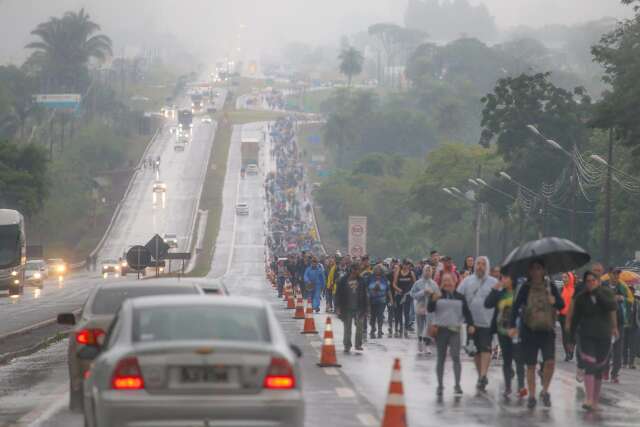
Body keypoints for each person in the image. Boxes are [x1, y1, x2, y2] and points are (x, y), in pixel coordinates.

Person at [508, 259, 564, 409]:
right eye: (533, 268)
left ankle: (545, 391)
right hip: (529, 331)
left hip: (547, 331)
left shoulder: (550, 286)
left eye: (539, 268)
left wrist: (554, 301)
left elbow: (562, 304)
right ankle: (532, 395)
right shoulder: (525, 287)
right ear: (529, 271)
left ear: (544, 270)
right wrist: (512, 325)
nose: (536, 271)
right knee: (531, 365)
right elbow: (515, 306)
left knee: (550, 362)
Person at [569, 271, 618, 411]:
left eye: (593, 280)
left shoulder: (606, 294)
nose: (590, 283)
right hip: (586, 336)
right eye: (588, 281)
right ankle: (588, 399)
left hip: (603, 336)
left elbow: (612, 306)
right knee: (590, 365)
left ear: (598, 282)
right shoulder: (581, 298)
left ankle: (595, 400)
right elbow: (575, 318)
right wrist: (571, 338)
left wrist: (598, 294)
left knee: (598, 369)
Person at [428, 272, 474, 396]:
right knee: (441, 358)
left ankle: (457, 385)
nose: (447, 283)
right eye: (445, 281)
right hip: (441, 331)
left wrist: (471, 325)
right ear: (442, 282)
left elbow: (467, 312)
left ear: (454, 282)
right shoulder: (437, 295)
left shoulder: (460, 296)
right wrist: (432, 300)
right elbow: (430, 309)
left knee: (455, 356)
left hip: (455, 331)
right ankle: (440, 385)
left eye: (450, 281)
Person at [457, 256, 497, 391]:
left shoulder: (493, 282)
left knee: (486, 349)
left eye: (483, 264)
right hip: (471, 323)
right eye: (478, 264)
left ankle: (483, 375)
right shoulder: (467, 281)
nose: (480, 266)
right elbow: (458, 297)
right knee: (475, 351)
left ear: (487, 266)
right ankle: (481, 375)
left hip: (487, 322)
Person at [485, 273, 526, 398]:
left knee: (519, 359)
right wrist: (494, 289)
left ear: (512, 279)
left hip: (516, 332)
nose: (502, 280)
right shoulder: (500, 293)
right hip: (502, 331)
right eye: (501, 278)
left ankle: (521, 387)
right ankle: (508, 387)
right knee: (507, 360)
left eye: (505, 277)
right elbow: (487, 304)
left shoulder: (519, 292)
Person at [335, 263, 367, 352]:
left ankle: (358, 344)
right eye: (356, 269)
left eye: (358, 270)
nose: (357, 271)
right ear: (352, 270)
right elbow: (338, 294)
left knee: (360, 327)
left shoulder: (361, 280)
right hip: (346, 307)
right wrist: (337, 307)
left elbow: (365, 295)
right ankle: (347, 345)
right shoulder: (343, 280)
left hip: (359, 308)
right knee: (347, 327)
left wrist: (366, 309)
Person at [411, 264, 439, 355]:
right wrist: (423, 292)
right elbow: (412, 294)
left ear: (432, 272)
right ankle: (419, 341)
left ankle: (427, 345)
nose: (428, 272)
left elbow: (438, 295)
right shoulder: (418, 283)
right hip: (420, 306)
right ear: (423, 272)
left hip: (430, 308)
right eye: (426, 271)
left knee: (428, 327)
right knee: (420, 326)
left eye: (430, 271)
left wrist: (432, 294)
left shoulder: (434, 284)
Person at [392, 260, 417, 338]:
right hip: (399, 294)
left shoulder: (411, 273)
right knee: (398, 312)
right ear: (402, 265)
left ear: (409, 265)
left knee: (406, 313)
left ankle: (406, 328)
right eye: (404, 264)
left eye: (407, 265)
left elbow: (415, 284)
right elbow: (394, 283)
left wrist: (411, 292)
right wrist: (398, 289)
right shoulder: (398, 272)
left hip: (407, 295)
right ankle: (398, 328)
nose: (406, 266)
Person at [368, 265, 390, 339]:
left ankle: (380, 330)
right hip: (372, 299)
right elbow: (368, 286)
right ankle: (372, 329)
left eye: (379, 269)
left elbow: (387, 288)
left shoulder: (384, 278)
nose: (377, 270)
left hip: (382, 300)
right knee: (372, 316)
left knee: (380, 315)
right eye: (376, 269)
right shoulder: (371, 277)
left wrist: (391, 299)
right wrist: (374, 287)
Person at [558, 272, 576, 361]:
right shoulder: (561, 289)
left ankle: (571, 350)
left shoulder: (575, 290)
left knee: (572, 336)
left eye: (565, 277)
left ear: (570, 279)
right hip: (562, 316)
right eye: (563, 278)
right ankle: (567, 353)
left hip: (573, 317)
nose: (563, 279)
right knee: (565, 335)